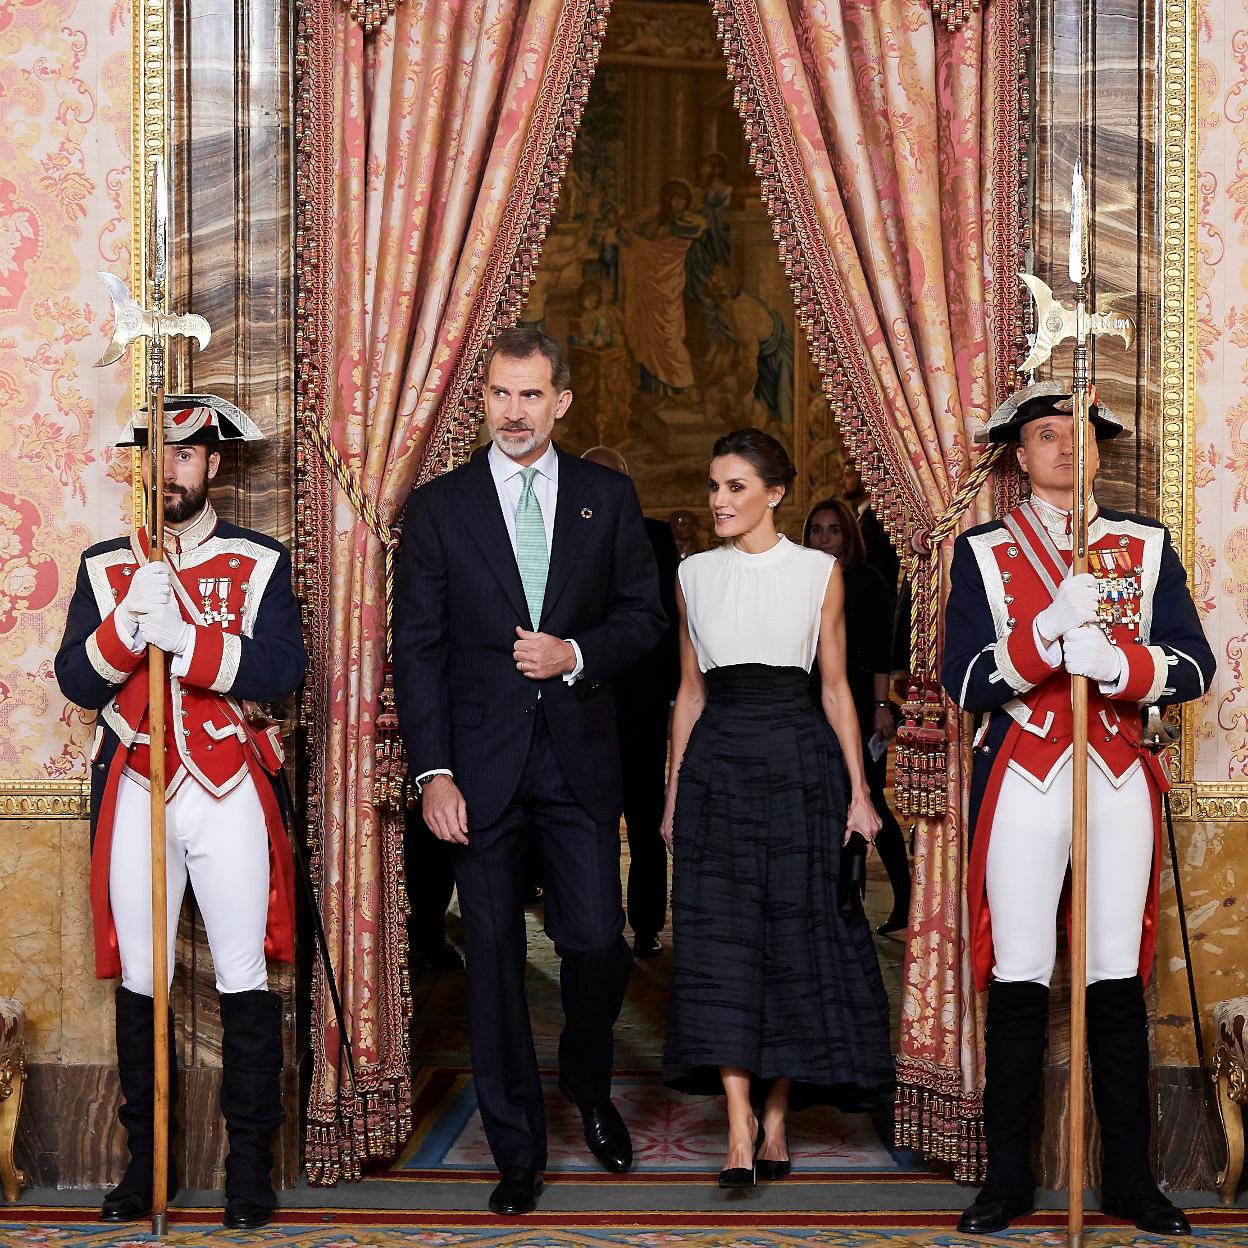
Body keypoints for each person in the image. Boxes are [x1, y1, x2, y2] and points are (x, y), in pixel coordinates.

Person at [393, 328, 665, 1216]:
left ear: (562, 402)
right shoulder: (438, 507)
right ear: (484, 399)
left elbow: (645, 617)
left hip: (579, 763)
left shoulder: (606, 497)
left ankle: (587, 1081)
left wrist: (574, 653)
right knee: (495, 963)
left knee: (597, 944)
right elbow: (417, 650)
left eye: (531, 395)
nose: (514, 413)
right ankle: (516, 1149)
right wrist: (433, 773)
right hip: (476, 771)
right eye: (501, 395)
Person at [942, 381, 1216, 1236]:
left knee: (1115, 978)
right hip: (1024, 775)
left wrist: (1120, 667)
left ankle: (1134, 1181)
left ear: (1099, 450)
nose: (1065, 447)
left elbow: (1194, 666)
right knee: (1020, 973)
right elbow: (965, 681)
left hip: (1118, 775)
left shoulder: (1145, 545)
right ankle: (1008, 1179)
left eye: (1079, 434)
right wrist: (1043, 638)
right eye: (1047, 435)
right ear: (1020, 456)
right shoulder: (983, 551)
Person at [54, 396, 307, 1230]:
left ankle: (248, 1171)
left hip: (227, 787)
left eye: (187, 454)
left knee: (242, 975)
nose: (169, 469)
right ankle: (146, 1165)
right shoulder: (104, 566)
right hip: (138, 784)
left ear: (212, 465)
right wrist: (130, 625)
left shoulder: (260, 561)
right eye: (157, 454)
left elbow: (282, 670)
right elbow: (78, 681)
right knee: (142, 978)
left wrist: (189, 641)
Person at [661, 428, 894, 1188]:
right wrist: (672, 795)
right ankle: (737, 1124)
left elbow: (836, 689)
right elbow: (689, 694)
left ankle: (777, 1117)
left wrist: (860, 793)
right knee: (720, 942)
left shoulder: (819, 572)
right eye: (714, 486)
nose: (719, 500)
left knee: (793, 939)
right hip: (717, 768)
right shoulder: (693, 574)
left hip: (800, 767)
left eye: (735, 486)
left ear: (775, 494)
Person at [582, 445, 680, 958]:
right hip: (582, 701)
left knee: (646, 817)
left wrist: (672, 695)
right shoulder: (558, 531)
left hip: (641, 702)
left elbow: (668, 622)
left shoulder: (656, 536)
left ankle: (646, 923)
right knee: (589, 818)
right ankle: (594, 924)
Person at [804, 498, 911, 934]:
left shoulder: (866, 580)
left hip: (864, 702)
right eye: (817, 530)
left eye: (833, 529)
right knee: (827, 799)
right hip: (814, 701)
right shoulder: (803, 578)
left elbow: (881, 649)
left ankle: (903, 898)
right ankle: (842, 900)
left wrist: (882, 707)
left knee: (867, 798)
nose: (824, 538)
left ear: (848, 534)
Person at [840, 458, 900, 591]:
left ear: (865, 479)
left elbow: (869, 567)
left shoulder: (876, 519)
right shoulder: (866, 515)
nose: (842, 482)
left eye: (848, 476)